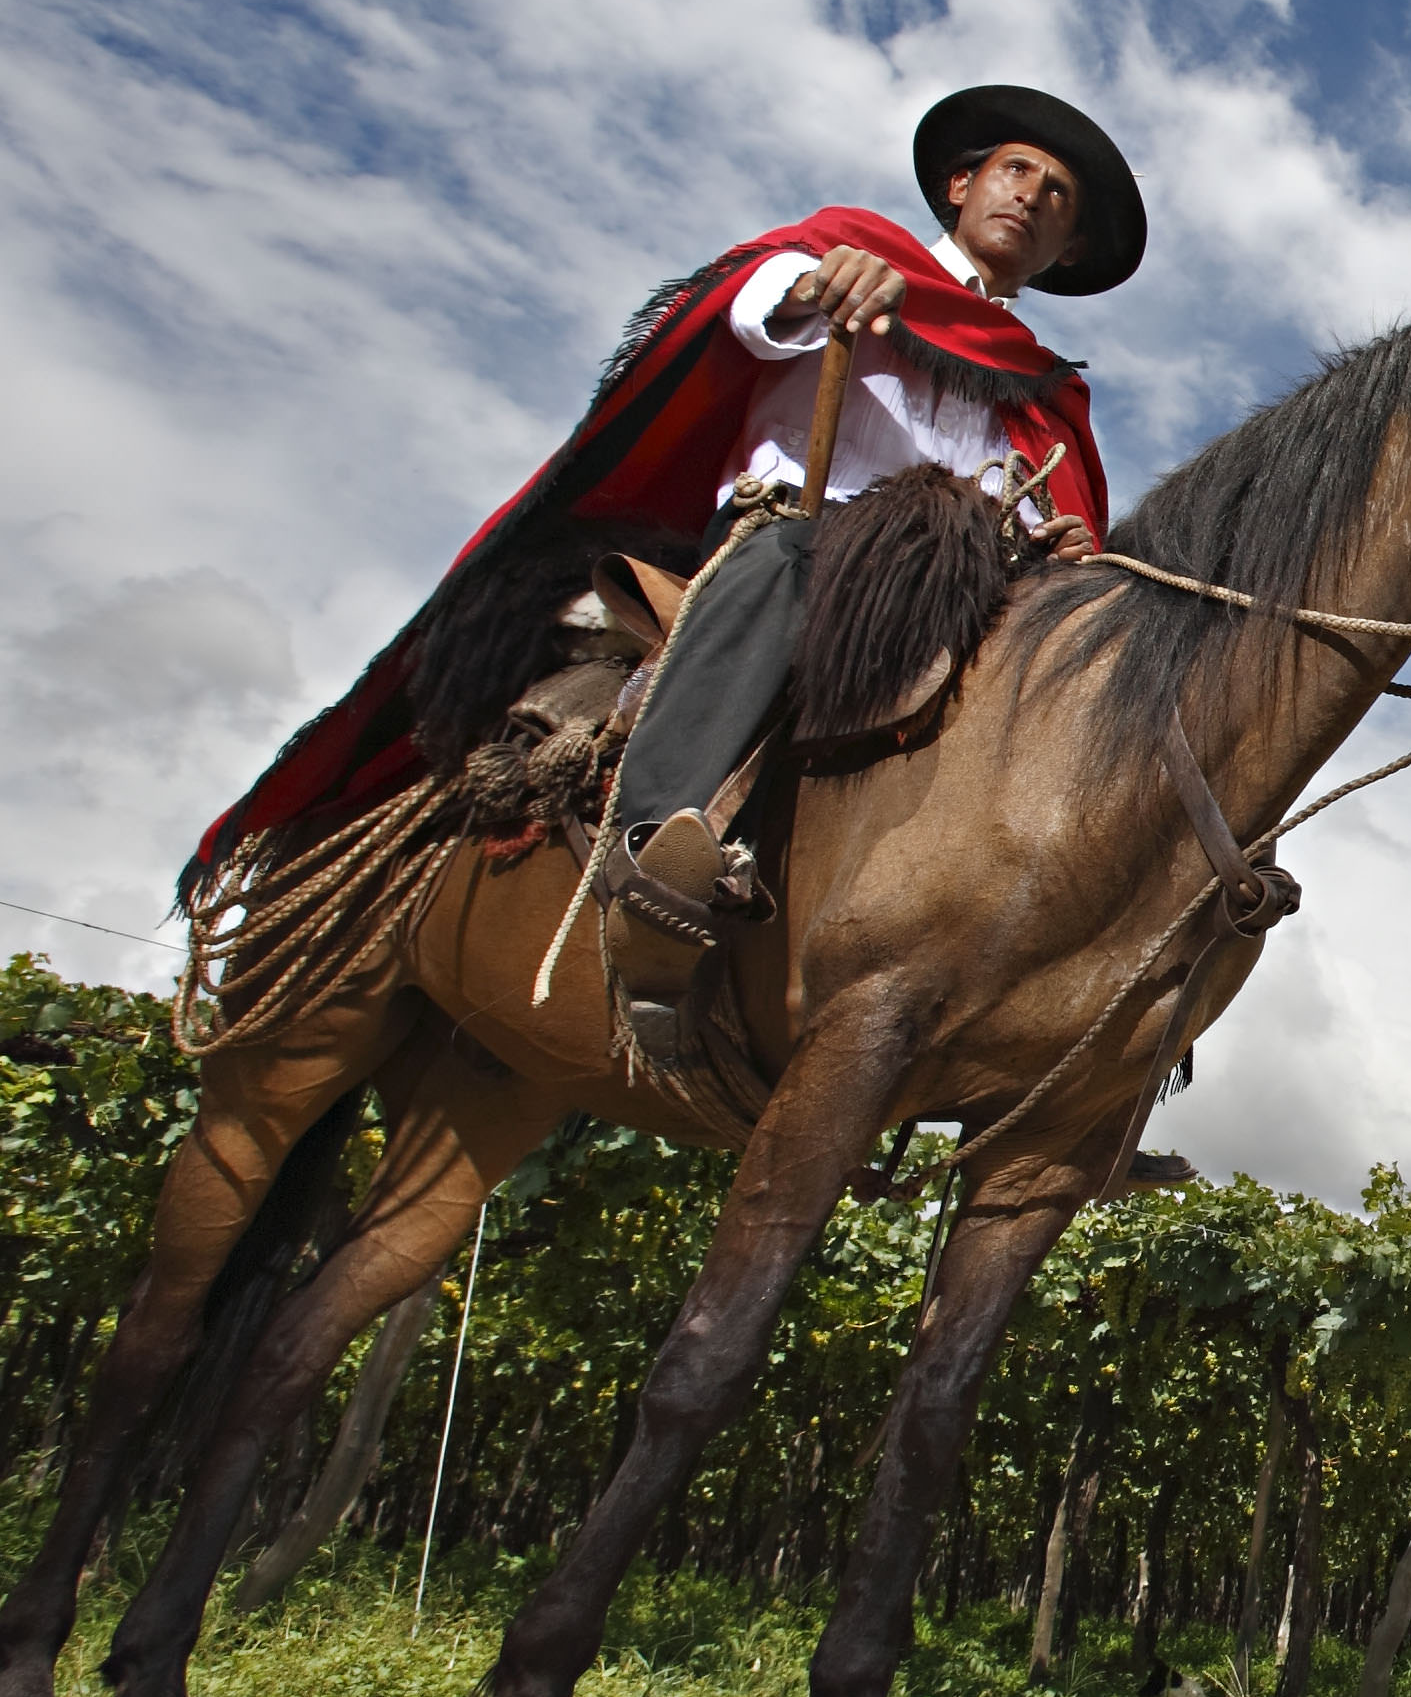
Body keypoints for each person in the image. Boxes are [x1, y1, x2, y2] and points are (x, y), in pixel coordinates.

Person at [183, 85, 1146, 1042]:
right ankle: (657, 843)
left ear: (1067, 252)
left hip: (953, 595)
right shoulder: (849, 253)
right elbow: (749, 308)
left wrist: (1059, 548)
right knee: (791, 561)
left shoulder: (1042, 384)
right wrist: (822, 289)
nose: (1032, 195)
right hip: (804, 536)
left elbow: (1056, 511)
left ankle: (1096, 1026)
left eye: (1059, 195)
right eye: (1018, 170)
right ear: (959, 185)